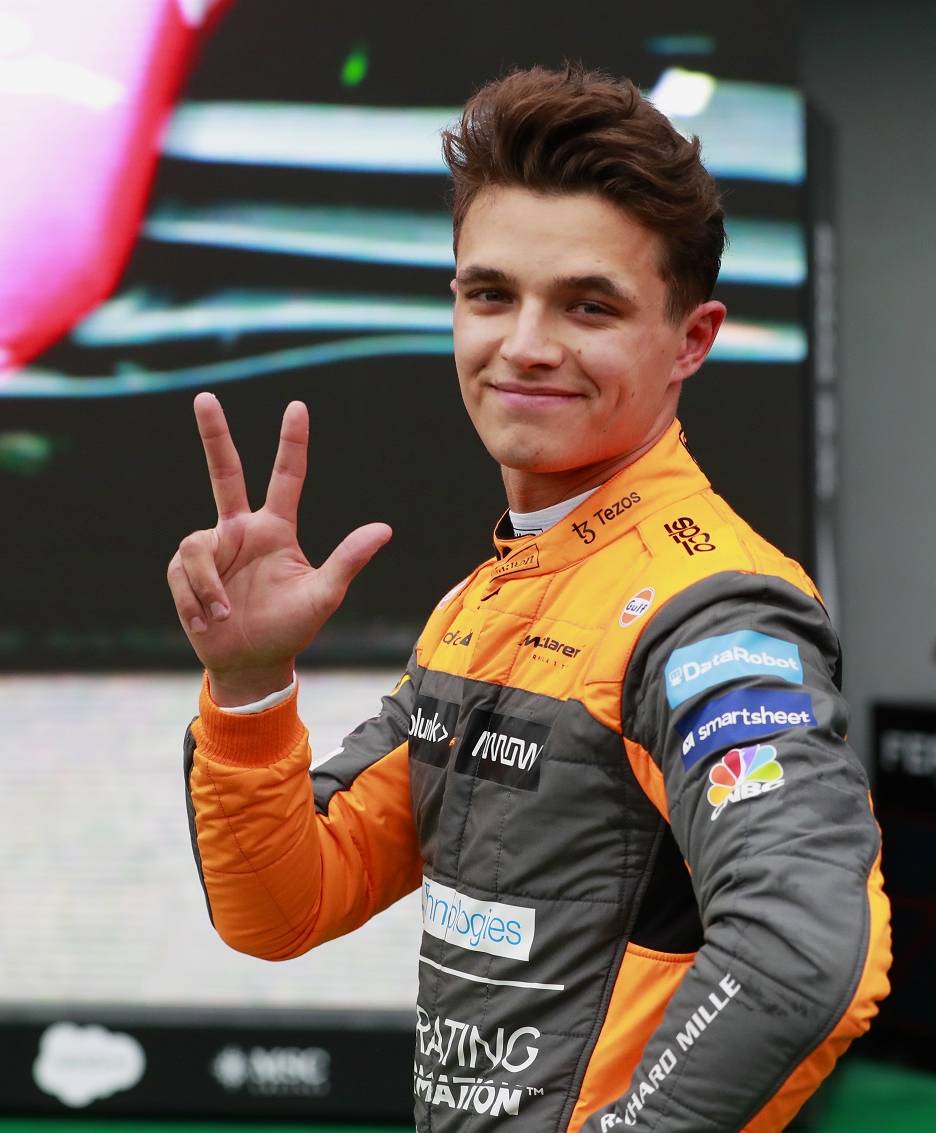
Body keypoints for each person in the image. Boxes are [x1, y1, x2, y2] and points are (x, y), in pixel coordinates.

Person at [168, 64, 891, 1132]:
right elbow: (285, 905)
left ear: (691, 339)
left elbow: (807, 950)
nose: (526, 345)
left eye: (588, 305)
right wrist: (248, 687)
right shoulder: (489, 598)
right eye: (490, 294)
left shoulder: (710, 611)